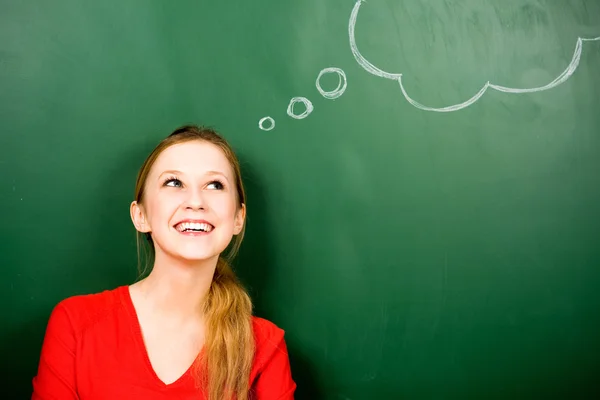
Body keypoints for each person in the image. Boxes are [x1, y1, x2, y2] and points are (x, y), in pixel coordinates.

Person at [31, 125, 296, 400]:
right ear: (140, 215)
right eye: (174, 183)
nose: (195, 201)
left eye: (215, 185)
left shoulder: (265, 346)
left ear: (238, 218)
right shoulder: (75, 324)